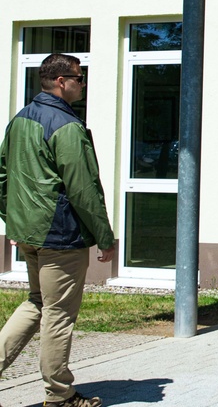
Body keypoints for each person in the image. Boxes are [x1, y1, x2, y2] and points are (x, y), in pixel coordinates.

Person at [0, 53, 114, 407]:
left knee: (37, 302)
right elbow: (82, 188)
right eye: (79, 79)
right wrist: (105, 237)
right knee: (58, 313)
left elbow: (3, 177)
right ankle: (60, 395)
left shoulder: (20, 120)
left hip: (30, 235)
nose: (82, 85)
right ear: (61, 81)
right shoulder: (66, 125)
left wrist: (15, 222)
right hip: (60, 237)